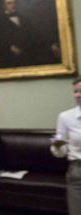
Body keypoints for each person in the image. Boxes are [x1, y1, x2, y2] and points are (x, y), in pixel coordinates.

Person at [51, 76, 81, 215]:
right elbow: (60, 149)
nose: (78, 95)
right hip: (77, 172)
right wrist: (57, 146)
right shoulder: (65, 117)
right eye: (76, 91)